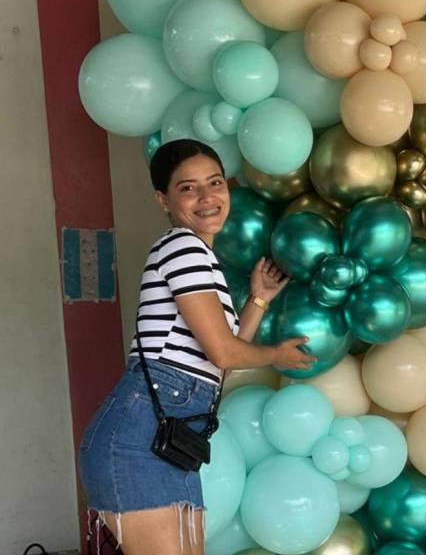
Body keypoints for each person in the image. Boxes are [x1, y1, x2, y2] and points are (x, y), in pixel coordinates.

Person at [78, 139, 315, 555]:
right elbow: (225, 353)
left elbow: (218, 364)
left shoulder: (200, 260)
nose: (207, 197)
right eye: (188, 188)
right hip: (139, 439)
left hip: (167, 438)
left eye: (215, 183)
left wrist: (258, 299)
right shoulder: (182, 247)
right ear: (163, 200)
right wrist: (277, 354)